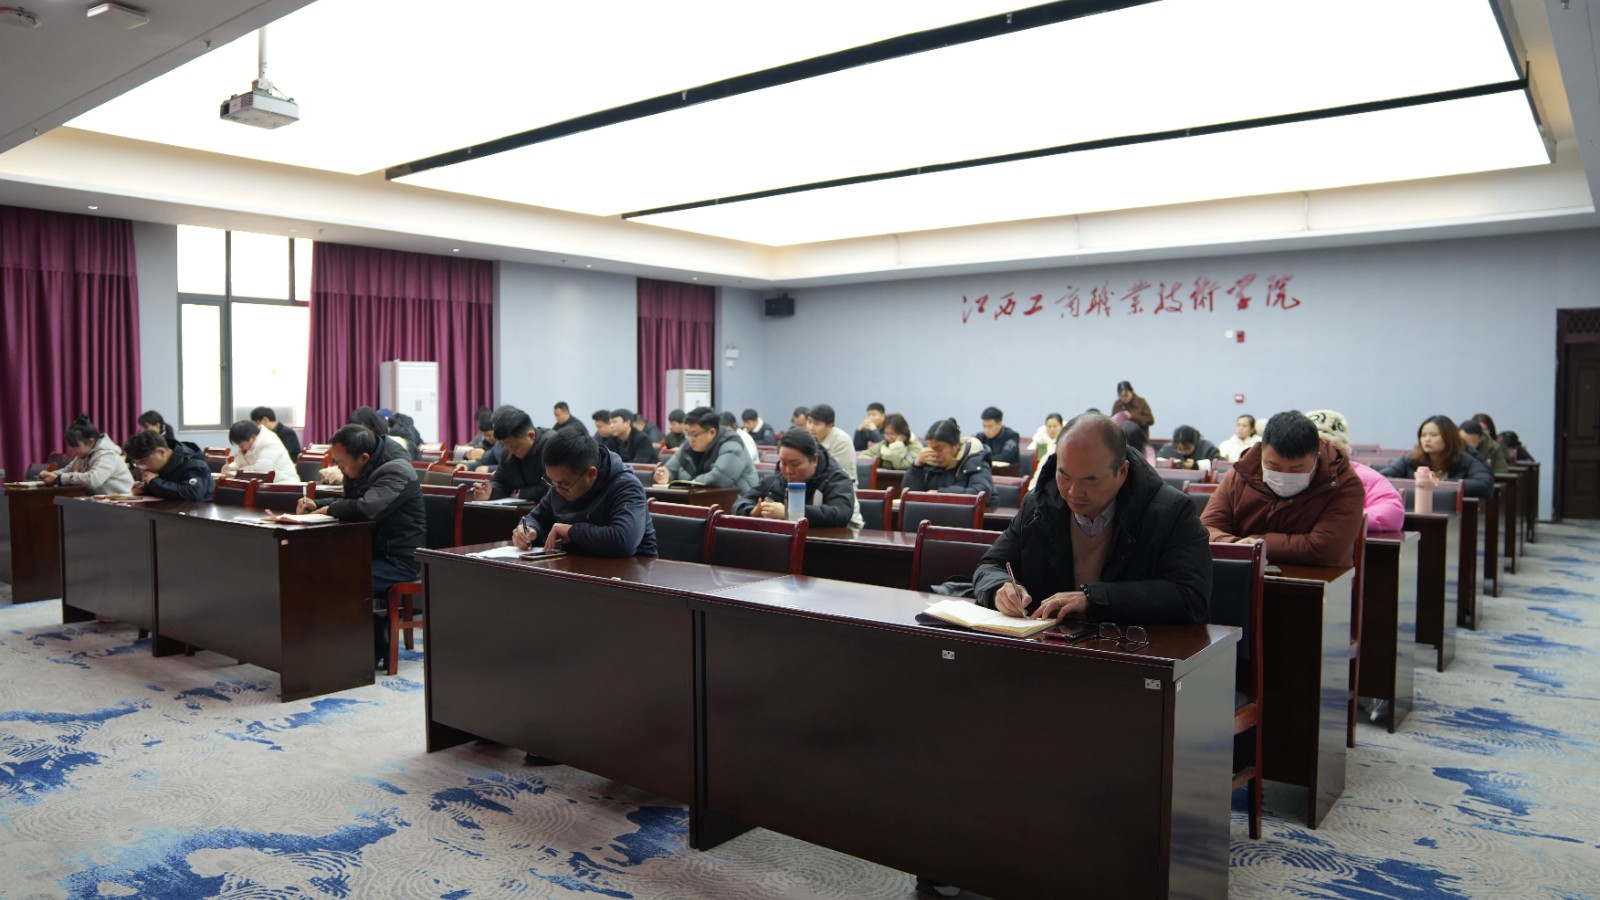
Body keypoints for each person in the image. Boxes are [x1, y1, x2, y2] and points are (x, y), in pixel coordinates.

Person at [973, 412, 1210, 624]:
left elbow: (1191, 597)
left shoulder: (1170, 512)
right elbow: (990, 565)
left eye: (1090, 480)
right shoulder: (1039, 505)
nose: (1073, 492)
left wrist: (1094, 599)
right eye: (1064, 476)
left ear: (1122, 472)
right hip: (1049, 644)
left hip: (1133, 648)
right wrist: (998, 589)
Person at [294, 423, 426, 669]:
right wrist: (318, 504)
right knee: (316, 572)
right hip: (370, 552)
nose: (339, 468)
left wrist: (329, 509)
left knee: (341, 580)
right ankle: (329, 652)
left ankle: (366, 650)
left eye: (341, 463)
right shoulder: (364, 466)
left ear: (364, 457)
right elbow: (351, 502)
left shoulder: (397, 469)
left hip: (399, 559)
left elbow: (366, 508)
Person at [1202, 410, 1367, 567]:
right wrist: (1235, 544)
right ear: (1261, 453)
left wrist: (1257, 544)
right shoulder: (1241, 474)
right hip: (1242, 574)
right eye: (1273, 466)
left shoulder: (1343, 484)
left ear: (1316, 458)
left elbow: (1325, 548)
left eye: (1296, 469)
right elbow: (1206, 530)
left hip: (1317, 580)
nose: (1283, 475)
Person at [510, 427, 658, 557]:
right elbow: (537, 517)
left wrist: (571, 531)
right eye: (552, 481)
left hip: (632, 572)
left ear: (591, 474)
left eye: (564, 484)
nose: (557, 489)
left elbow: (623, 540)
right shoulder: (560, 486)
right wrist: (529, 529)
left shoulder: (626, 486)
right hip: (579, 567)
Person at [734, 427, 864, 528]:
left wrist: (789, 513)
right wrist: (751, 511)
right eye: (783, 463)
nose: (788, 471)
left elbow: (840, 514)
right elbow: (740, 503)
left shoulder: (836, 479)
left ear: (814, 460)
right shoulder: (777, 479)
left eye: (795, 464)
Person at [1305, 409, 1405, 533]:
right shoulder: (1290, 473)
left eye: (1328, 446)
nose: (1320, 452)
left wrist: (1344, 519)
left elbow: (1391, 511)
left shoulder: (1363, 475)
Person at [1378, 415, 1495, 499]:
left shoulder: (1465, 460)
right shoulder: (1411, 459)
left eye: (1433, 435)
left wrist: (1440, 484)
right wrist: (1417, 484)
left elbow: (1485, 484)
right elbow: (1381, 479)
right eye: (1423, 435)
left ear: (1448, 438)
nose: (1427, 439)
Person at [654, 406, 759, 492]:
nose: (690, 439)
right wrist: (666, 476)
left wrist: (689, 483)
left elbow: (717, 479)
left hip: (742, 503)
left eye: (694, 434)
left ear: (712, 432)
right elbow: (671, 468)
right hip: (703, 499)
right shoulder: (690, 443)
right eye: (688, 433)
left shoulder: (732, 445)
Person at [471, 407, 552, 502]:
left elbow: (554, 488)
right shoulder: (507, 451)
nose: (510, 451)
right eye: (504, 445)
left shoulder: (551, 446)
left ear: (531, 436)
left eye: (514, 446)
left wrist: (521, 493)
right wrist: (490, 492)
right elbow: (501, 482)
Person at [41, 415, 134, 495]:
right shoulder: (83, 455)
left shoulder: (107, 455)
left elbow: (92, 480)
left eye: (75, 446)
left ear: (90, 442)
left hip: (124, 502)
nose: (72, 451)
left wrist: (59, 478)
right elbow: (67, 471)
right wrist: (51, 475)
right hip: (104, 501)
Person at [905, 418, 994, 495]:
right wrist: (917, 466)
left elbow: (981, 492)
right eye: (931, 449)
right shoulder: (928, 461)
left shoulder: (975, 460)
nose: (934, 454)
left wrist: (941, 494)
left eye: (939, 449)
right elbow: (909, 494)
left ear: (956, 445)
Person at [125, 428, 214, 500]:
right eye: (137, 464)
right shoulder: (158, 465)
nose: (142, 468)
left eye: (144, 462)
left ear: (161, 452)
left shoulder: (193, 463)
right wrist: (144, 489)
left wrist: (155, 482)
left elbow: (193, 493)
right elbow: (169, 489)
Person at [221, 419, 300, 483]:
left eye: (242, 445)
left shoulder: (269, 441)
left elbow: (261, 470)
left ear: (253, 437)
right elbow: (239, 462)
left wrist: (238, 471)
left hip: (284, 484)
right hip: (263, 485)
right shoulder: (247, 444)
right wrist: (230, 467)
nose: (239, 447)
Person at [804, 404, 858, 485]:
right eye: (809, 422)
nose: (811, 427)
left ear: (830, 425)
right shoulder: (808, 438)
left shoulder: (841, 441)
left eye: (816, 424)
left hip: (840, 487)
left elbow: (833, 472)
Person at [1157, 425, 1221, 470]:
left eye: (1187, 448)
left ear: (1195, 443)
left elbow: (1221, 465)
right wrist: (1168, 464)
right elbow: (1156, 463)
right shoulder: (1166, 450)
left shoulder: (1207, 449)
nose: (1182, 451)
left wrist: (1197, 466)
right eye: (1179, 449)